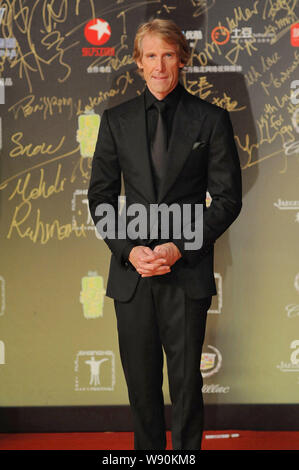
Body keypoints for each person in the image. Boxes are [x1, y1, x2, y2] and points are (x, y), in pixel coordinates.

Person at [88, 19, 242, 450]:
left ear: (183, 60)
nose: (160, 66)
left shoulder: (210, 120)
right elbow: (100, 198)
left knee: (187, 390)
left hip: (185, 272)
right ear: (138, 63)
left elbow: (228, 199)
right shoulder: (115, 120)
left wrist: (179, 246)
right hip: (133, 277)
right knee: (141, 391)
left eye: (168, 55)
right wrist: (130, 250)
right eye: (151, 56)